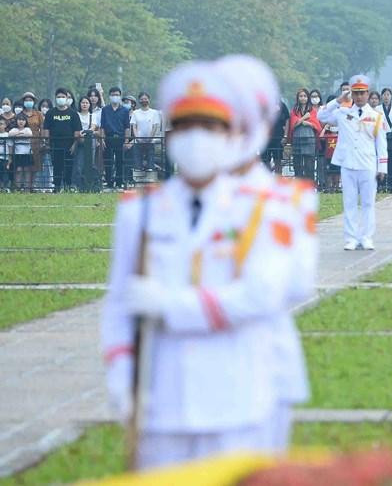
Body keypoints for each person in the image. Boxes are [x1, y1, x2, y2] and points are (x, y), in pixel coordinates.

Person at [100, 62, 297, 471]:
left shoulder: (261, 208)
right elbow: (119, 303)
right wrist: (120, 370)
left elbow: (261, 295)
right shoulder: (142, 211)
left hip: (236, 396)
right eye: (186, 126)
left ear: (230, 135)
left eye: (209, 127)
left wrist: (170, 306)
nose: (197, 139)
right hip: (161, 398)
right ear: (169, 136)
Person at [215, 54, 318, 454]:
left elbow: (292, 286)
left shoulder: (290, 199)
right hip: (190, 376)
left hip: (264, 360)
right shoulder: (163, 205)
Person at [319, 75, 388, 250]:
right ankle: (350, 238)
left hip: (367, 164)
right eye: (355, 93)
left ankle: (366, 237)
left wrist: (382, 167)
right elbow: (321, 116)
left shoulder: (376, 116)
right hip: (348, 164)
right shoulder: (343, 113)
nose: (359, 97)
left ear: (368, 94)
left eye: (362, 93)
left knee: (368, 203)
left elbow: (381, 144)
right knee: (349, 202)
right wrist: (339, 100)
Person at [43, 88, 82, 192]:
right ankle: (56, 187)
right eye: (59, 97)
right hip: (55, 144)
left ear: (67, 98)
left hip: (69, 145)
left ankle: (67, 186)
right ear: (55, 98)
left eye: (63, 97)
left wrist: (74, 145)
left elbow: (77, 131)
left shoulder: (73, 114)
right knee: (56, 166)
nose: (61, 99)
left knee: (69, 166)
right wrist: (47, 143)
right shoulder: (50, 113)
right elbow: (46, 129)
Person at [286, 88, 321, 181]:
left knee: (309, 164)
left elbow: (316, 125)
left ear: (307, 97)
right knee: (297, 163)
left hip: (309, 139)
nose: (303, 98)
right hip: (297, 138)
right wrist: (304, 118)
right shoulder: (294, 110)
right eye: (301, 96)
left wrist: (308, 123)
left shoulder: (312, 110)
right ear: (298, 98)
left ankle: (310, 185)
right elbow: (293, 124)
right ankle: (299, 186)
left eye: (305, 96)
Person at [102, 87, 131, 189]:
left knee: (120, 161)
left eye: (117, 95)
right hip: (108, 138)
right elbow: (103, 126)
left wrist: (126, 140)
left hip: (120, 138)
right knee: (108, 161)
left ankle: (119, 182)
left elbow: (127, 127)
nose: (115, 97)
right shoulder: (105, 110)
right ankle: (109, 182)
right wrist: (102, 139)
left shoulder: (125, 110)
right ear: (110, 96)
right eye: (113, 95)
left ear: (120, 96)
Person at [73, 96, 101, 192]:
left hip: (90, 141)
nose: (84, 104)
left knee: (91, 163)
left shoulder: (93, 116)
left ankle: (94, 185)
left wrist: (86, 132)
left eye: (86, 103)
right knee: (79, 164)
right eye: (83, 102)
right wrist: (78, 134)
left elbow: (93, 127)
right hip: (78, 141)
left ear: (89, 105)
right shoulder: (76, 115)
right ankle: (78, 186)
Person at [131, 93, 161, 172]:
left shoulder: (154, 112)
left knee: (150, 162)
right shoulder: (135, 113)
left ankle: (150, 175)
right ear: (139, 101)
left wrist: (150, 138)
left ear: (148, 100)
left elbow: (155, 126)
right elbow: (134, 126)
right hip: (138, 141)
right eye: (142, 99)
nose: (144, 101)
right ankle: (138, 175)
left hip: (150, 141)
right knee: (137, 162)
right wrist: (137, 138)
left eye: (145, 99)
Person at [9, 113, 34, 191]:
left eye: (23, 120)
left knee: (27, 170)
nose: (21, 122)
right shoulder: (14, 129)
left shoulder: (27, 129)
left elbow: (29, 134)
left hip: (27, 154)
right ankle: (17, 188)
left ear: (25, 121)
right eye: (19, 120)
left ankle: (27, 189)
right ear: (16, 121)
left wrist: (17, 135)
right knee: (18, 170)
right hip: (17, 154)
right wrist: (21, 134)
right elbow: (10, 134)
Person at [0, 119, 11, 192]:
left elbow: (10, 146)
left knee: (5, 173)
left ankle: (6, 187)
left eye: (1, 124)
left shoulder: (8, 134)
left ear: (5, 125)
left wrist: (10, 158)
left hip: (5, 157)